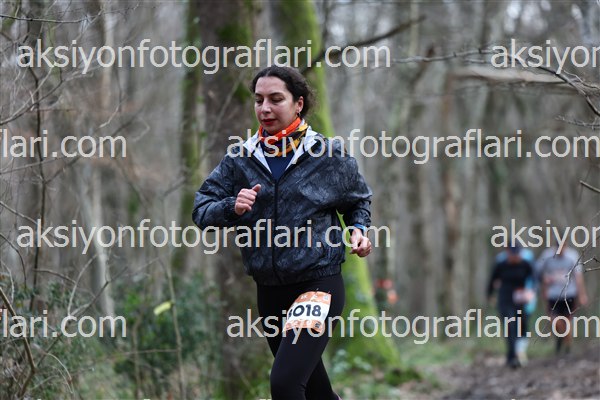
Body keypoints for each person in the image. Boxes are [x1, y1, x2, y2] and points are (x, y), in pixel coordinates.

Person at [192, 66, 372, 400]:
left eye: (276, 99)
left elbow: (358, 201)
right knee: (315, 391)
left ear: (298, 103)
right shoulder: (241, 158)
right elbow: (201, 210)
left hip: (317, 284)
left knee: (285, 385)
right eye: (259, 100)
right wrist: (231, 206)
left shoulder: (328, 155)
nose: (265, 108)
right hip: (270, 290)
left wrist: (359, 230)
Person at [487, 246, 534, 368]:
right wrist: (490, 295)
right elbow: (492, 280)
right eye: (512, 254)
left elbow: (534, 279)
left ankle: (518, 352)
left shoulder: (525, 264)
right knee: (510, 325)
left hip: (520, 300)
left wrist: (530, 292)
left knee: (521, 326)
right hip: (505, 299)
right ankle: (512, 356)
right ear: (507, 252)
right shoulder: (501, 265)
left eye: (517, 254)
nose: (515, 257)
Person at [536, 244, 588, 355]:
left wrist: (582, 295)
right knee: (555, 321)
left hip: (569, 294)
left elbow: (578, 277)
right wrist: (544, 285)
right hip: (553, 295)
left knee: (567, 321)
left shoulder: (572, 256)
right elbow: (538, 272)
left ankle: (568, 347)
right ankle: (560, 338)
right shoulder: (547, 256)